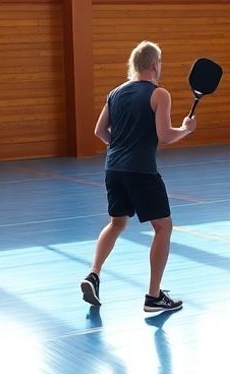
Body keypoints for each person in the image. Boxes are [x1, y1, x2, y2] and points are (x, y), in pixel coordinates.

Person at [80, 41, 196, 314]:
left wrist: (121, 146)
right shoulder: (159, 94)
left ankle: (93, 274)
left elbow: (100, 131)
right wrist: (186, 129)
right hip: (141, 171)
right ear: (155, 64)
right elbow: (165, 136)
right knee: (163, 228)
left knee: (117, 223)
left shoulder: (115, 92)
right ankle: (154, 296)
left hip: (113, 169)